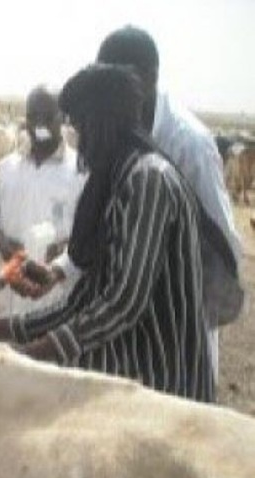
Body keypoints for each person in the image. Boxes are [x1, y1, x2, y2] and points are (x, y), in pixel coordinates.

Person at [0, 64, 215, 403]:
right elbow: (86, 298)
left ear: (102, 124)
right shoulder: (116, 182)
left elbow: (123, 301)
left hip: (165, 387)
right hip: (133, 386)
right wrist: (8, 328)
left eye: (82, 128)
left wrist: (37, 352)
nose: (81, 143)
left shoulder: (147, 181)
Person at [95, 25, 242, 381]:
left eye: (117, 81)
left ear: (149, 78)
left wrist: (179, 308)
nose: (107, 93)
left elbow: (223, 247)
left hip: (183, 332)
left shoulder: (189, 144)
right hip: (131, 332)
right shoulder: (117, 132)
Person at [0, 85, 85, 316]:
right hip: (10, 296)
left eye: (47, 117)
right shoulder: (5, 169)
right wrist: (4, 244)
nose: (39, 125)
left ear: (62, 118)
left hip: (56, 298)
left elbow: (89, 237)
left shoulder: (80, 172)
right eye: (33, 117)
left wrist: (63, 248)